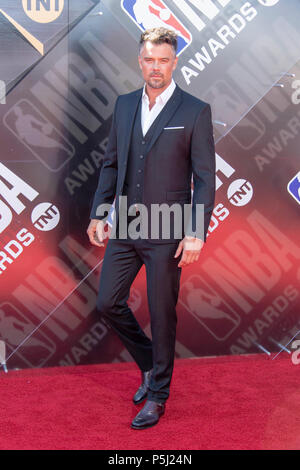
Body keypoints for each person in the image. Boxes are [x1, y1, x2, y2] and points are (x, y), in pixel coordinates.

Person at [87, 27, 215, 430]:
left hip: (169, 227)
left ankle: (158, 395)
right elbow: (111, 163)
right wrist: (99, 211)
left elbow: (205, 178)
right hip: (126, 222)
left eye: (162, 59)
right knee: (108, 301)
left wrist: (195, 232)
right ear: (139, 62)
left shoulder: (194, 110)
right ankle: (149, 365)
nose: (155, 67)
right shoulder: (125, 105)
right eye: (148, 60)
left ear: (174, 62)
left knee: (162, 315)